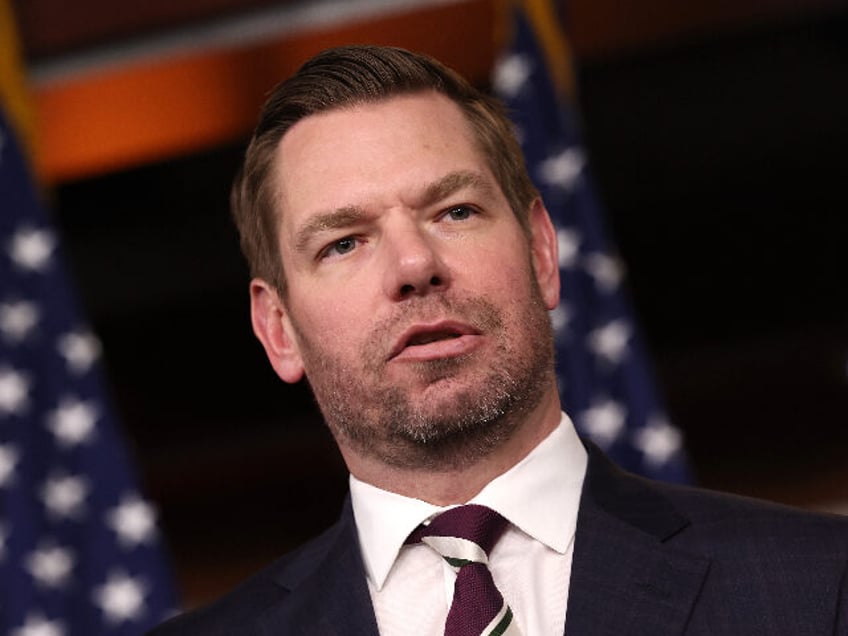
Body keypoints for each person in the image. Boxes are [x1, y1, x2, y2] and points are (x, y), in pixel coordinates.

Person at [149, 45, 848, 635]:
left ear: (542, 251)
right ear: (278, 329)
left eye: (455, 210)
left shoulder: (820, 587)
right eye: (344, 243)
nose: (414, 266)